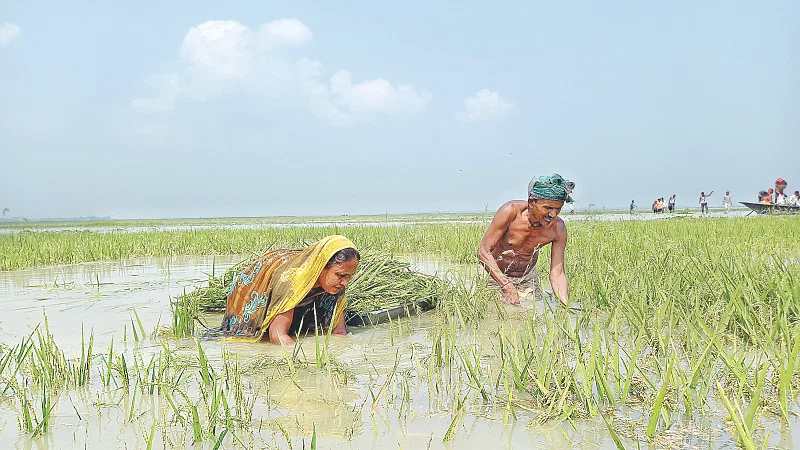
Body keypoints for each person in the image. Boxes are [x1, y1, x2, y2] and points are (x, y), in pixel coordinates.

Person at [221, 235, 360, 344]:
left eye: (349, 276)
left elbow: (340, 331)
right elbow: (277, 336)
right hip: (253, 289)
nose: (346, 282)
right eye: (341, 275)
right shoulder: (291, 281)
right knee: (249, 332)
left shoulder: (336, 283)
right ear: (320, 266)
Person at [478, 173, 573, 306]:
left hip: (527, 279)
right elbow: (483, 251)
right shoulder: (510, 212)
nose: (553, 214)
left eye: (558, 209)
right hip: (495, 275)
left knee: (530, 315)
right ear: (531, 202)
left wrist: (566, 306)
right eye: (547, 208)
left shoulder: (558, 228)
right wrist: (506, 285)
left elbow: (557, 274)